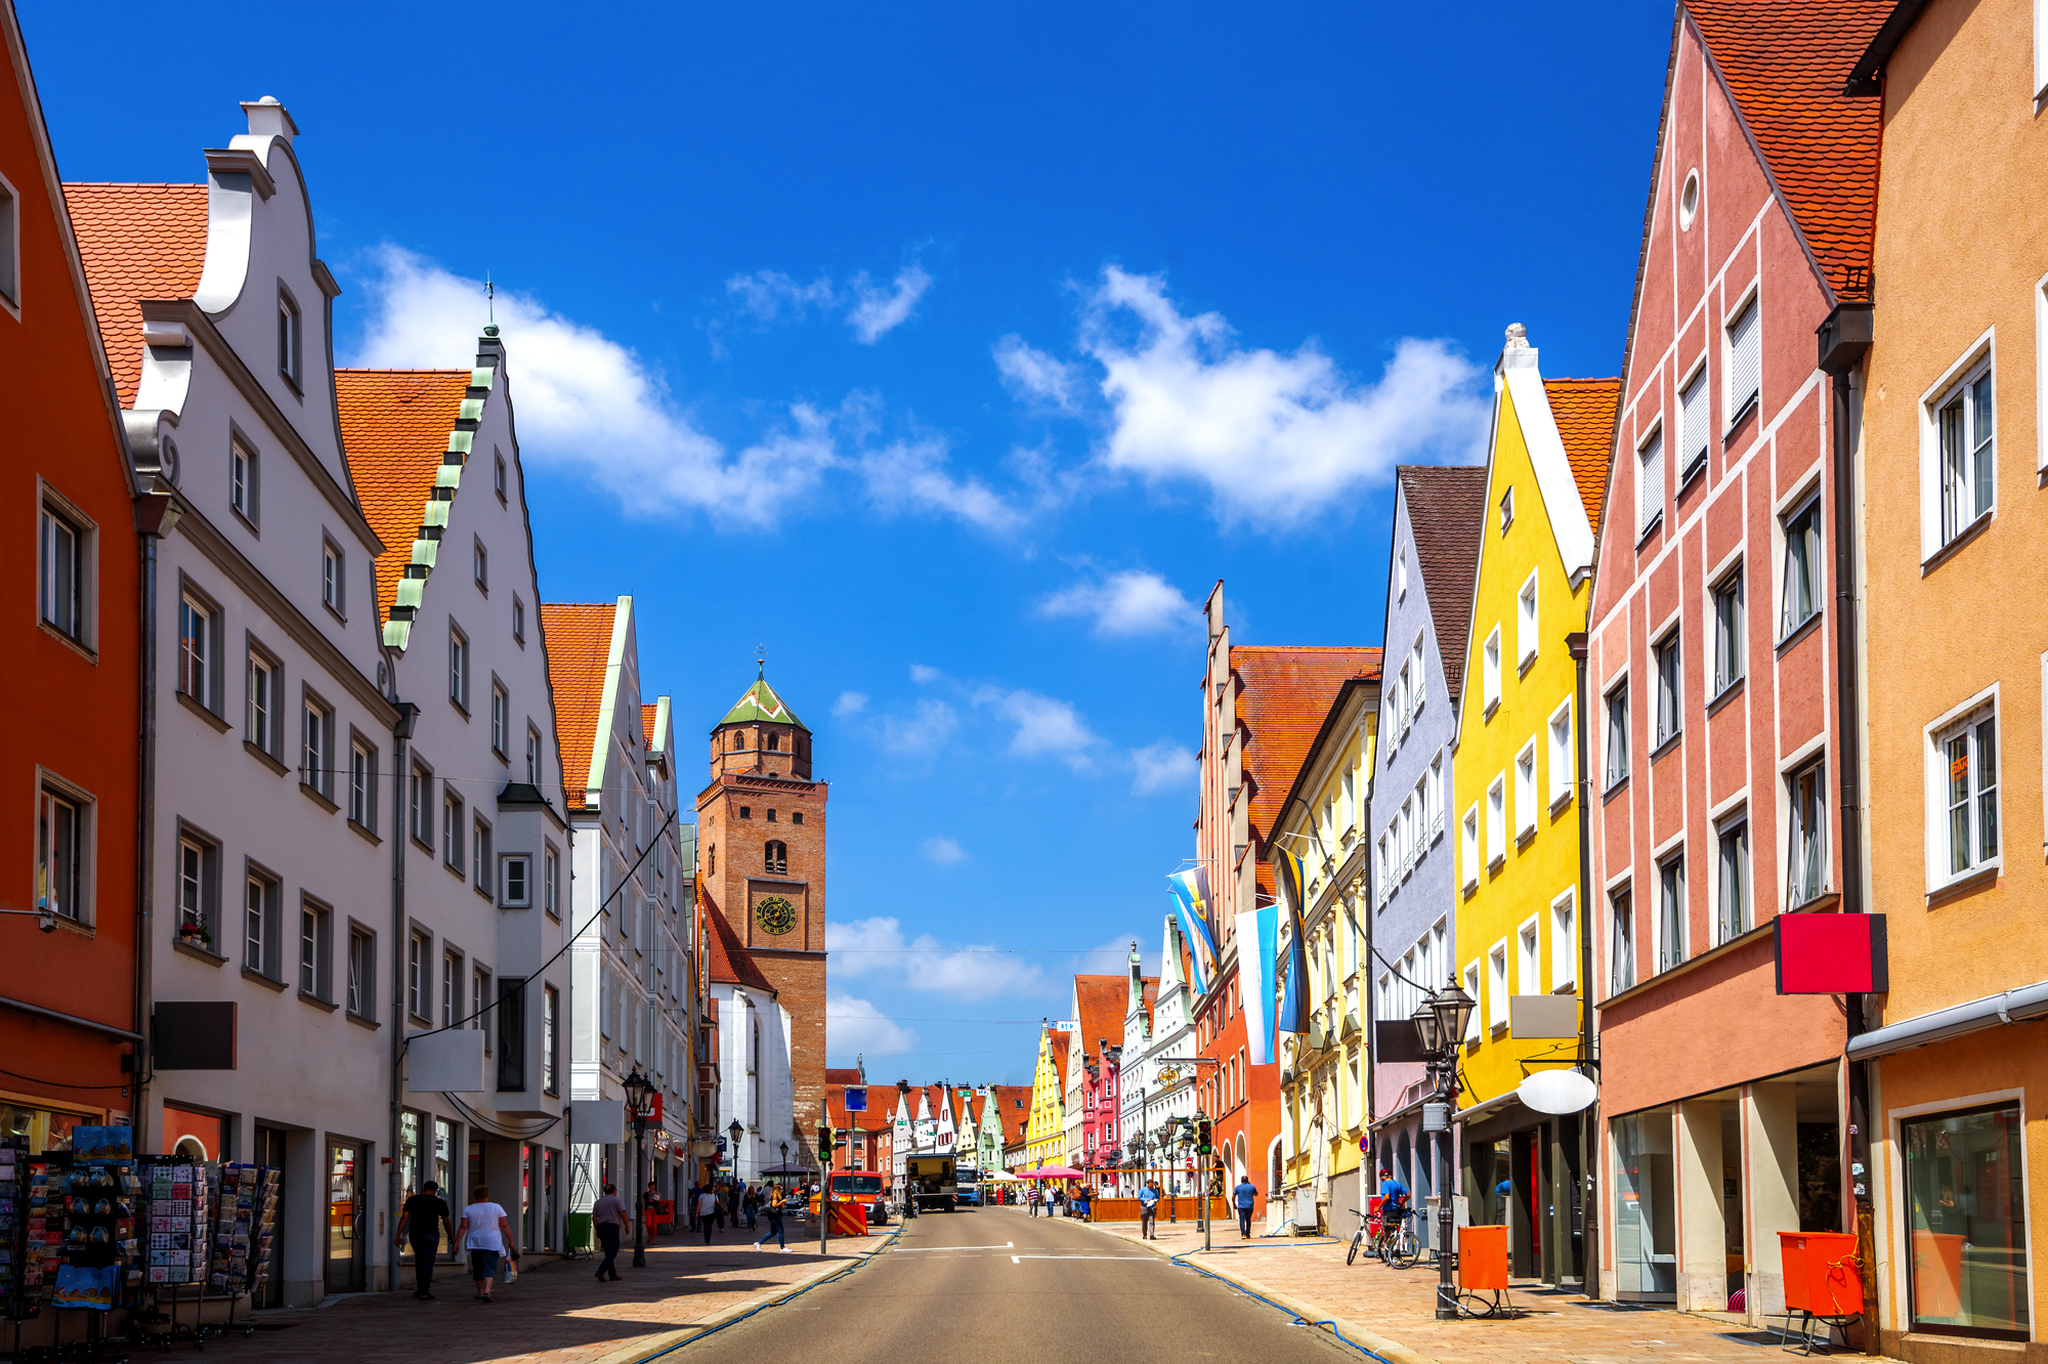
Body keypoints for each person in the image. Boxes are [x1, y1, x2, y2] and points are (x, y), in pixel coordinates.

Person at [453, 1184, 515, 1303]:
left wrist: (457, 1242)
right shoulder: (496, 1207)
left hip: (475, 1242)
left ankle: (480, 1292)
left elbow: (463, 1227)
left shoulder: (468, 1209)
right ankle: (487, 1290)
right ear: (487, 1195)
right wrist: (511, 1240)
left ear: (475, 1196)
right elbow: (504, 1225)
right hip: (492, 1242)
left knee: (477, 1268)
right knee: (489, 1266)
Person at [394, 1180, 455, 1300]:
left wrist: (398, 1234)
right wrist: (450, 1235)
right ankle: (424, 1290)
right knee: (428, 1263)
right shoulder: (439, 1202)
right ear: (435, 1190)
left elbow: (404, 1217)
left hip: (415, 1235)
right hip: (432, 1235)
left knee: (419, 1261)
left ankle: (420, 1288)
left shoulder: (413, 1200)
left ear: (423, 1189)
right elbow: (446, 1221)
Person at [591, 1182, 628, 1282]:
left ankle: (612, 1274)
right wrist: (627, 1226)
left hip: (601, 1227)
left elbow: (594, 1217)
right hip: (612, 1228)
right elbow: (623, 1214)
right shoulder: (617, 1200)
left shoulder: (598, 1202)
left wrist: (596, 1228)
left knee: (608, 1252)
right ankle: (600, 1271)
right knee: (613, 1251)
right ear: (614, 1191)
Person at [754, 1182, 788, 1251]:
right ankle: (782, 1247)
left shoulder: (778, 1196)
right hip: (774, 1215)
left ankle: (759, 1243)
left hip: (775, 1214)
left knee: (772, 1232)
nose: (782, 1190)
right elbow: (774, 1205)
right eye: (780, 1189)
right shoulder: (774, 1196)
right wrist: (782, 1202)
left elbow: (782, 1206)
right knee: (780, 1230)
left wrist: (783, 1202)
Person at [1233, 1174, 1258, 1240]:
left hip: (1241, 1206)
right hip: (1249, 1206)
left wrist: (1234, 1204)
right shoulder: (1252, 1187)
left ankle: (1243, 1234)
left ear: (1241, 1181)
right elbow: (1256, 1194)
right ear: (1247, 1180)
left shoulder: (1238, 1187)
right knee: (1248, 1219)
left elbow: (1233, 1196)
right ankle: (1248, 1233)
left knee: (1242, 1220)